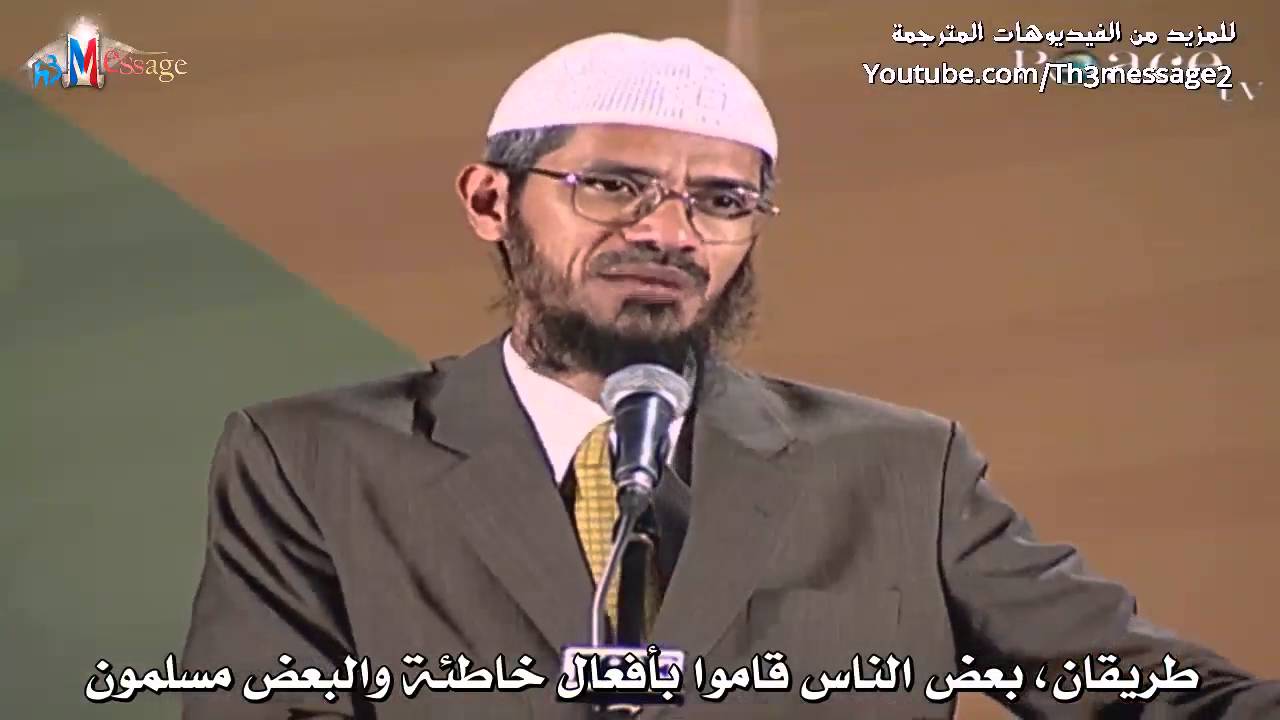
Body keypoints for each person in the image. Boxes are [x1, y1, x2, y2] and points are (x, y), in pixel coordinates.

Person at [180, 32, 1279, 720]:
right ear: (489, 200)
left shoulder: (903, 469)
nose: (668, 230)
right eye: (612, 185)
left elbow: (1151, 698)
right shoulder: (315, 461)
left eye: (719, 200)